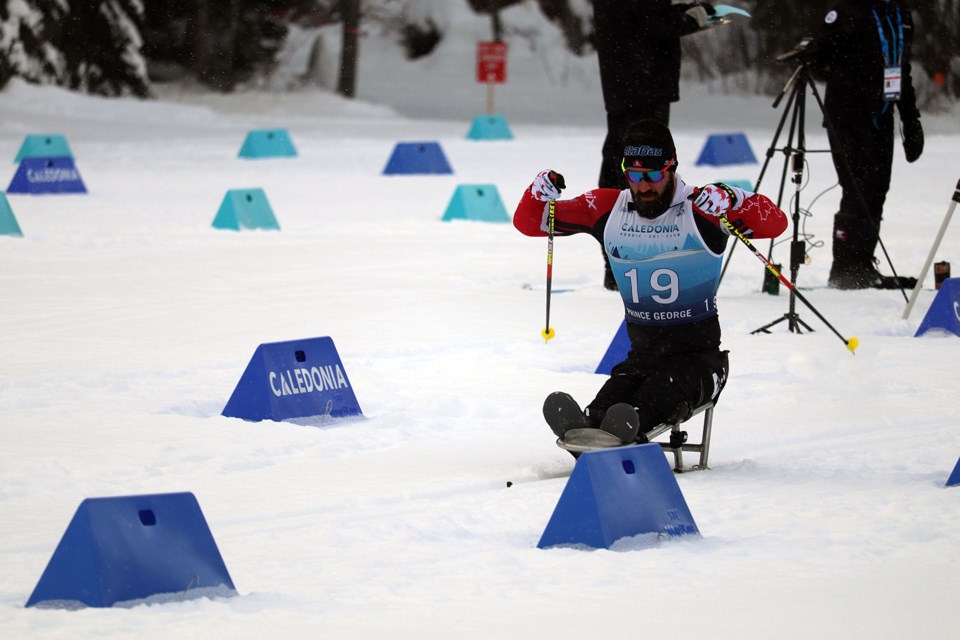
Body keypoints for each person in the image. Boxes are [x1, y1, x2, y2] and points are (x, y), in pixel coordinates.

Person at [513, 120, 788, 443]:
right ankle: (590, 431)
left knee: (641, 409)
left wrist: (733, 197)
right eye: (633, 175)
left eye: (653, 176)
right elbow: (530, 224)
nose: (643, 186)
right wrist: (537, 195)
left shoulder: (702, 208)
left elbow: (776, 223)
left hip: (699, 362)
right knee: (605, 411)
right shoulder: (606, 208)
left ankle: (617, 437)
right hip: (641, 358)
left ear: (671, 168)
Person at [592, 0, 717, 290]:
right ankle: (638, 260)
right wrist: (691, 19)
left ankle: (621, 263)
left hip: (625, 82)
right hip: (643, 82)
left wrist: (684, 10)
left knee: (623, 167)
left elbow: (644, 14)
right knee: (645, 173)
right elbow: (653, 21)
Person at [803, 0, 923, 289]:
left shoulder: (899, 13)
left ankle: (863, 262)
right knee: (856, 188)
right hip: (848, 116)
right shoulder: (848, 10)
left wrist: (911, 119)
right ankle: (845, 267)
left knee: (878, 188)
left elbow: (901, 67)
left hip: (883, 116)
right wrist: (853, 72)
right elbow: (818, 60)